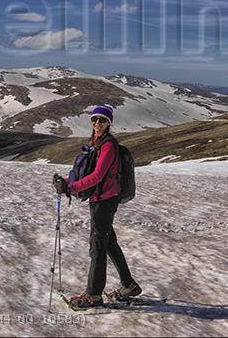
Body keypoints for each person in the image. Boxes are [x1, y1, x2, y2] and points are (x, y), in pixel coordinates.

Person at [53, 105, 140, 309]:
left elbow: (97, 176)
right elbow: (87, 172)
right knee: (108, 243)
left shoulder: (108, 146)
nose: (97, 123)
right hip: (100, 199)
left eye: (102, 120)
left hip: (105, 201)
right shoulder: (96, 143)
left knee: (98, 247)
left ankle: (93, 295)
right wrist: (65, 180)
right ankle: (129, 285)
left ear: (109, 123)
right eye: (94, 119)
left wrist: (70, 187)